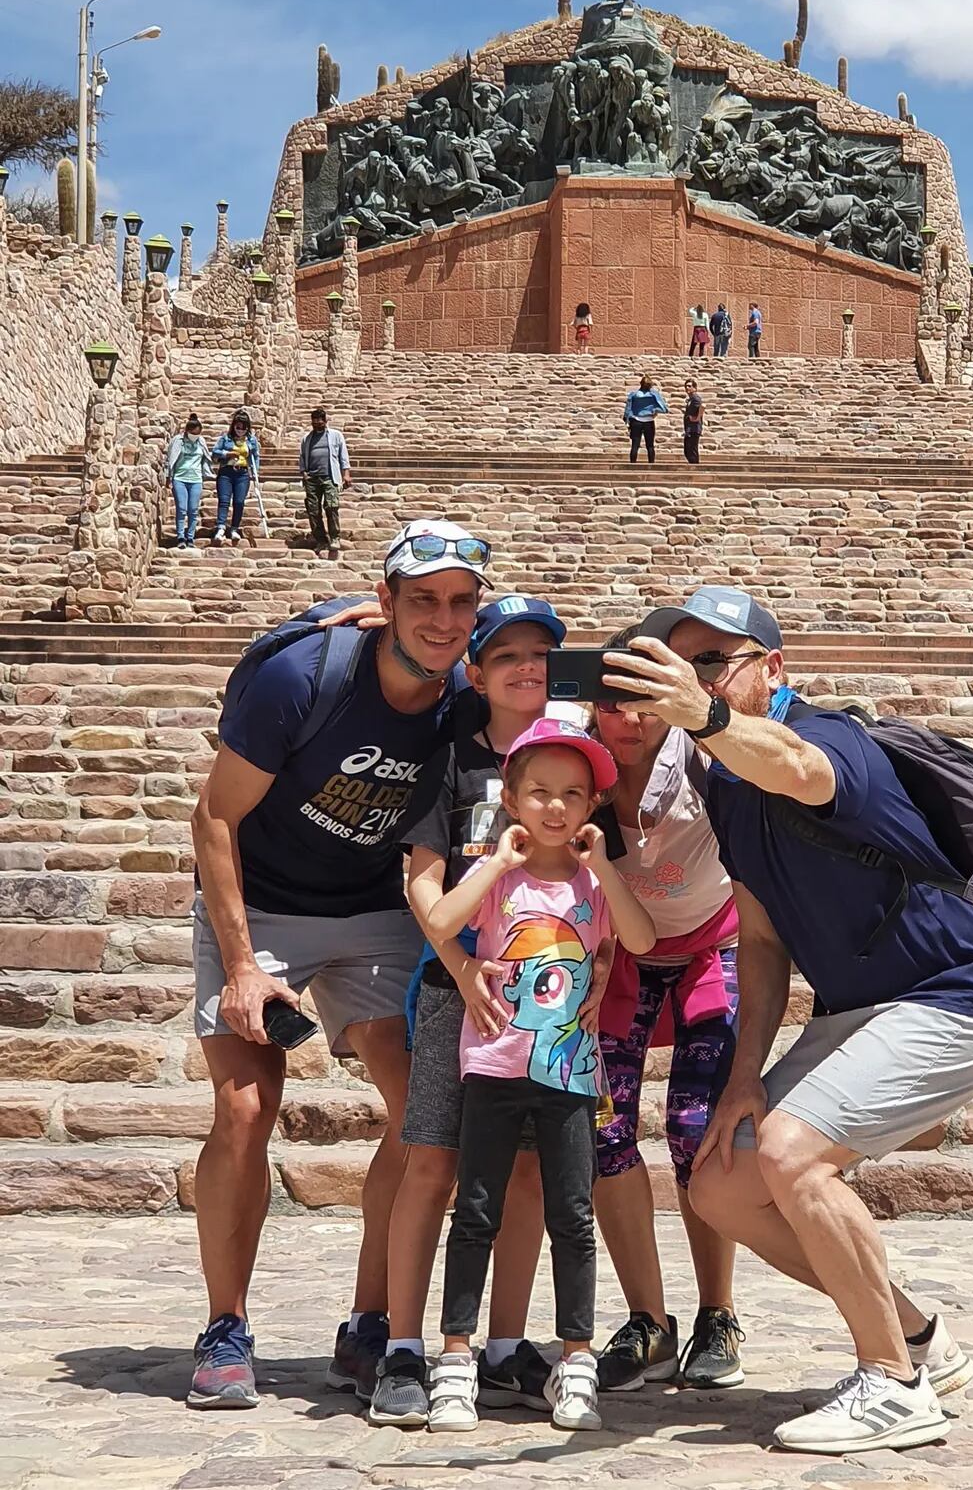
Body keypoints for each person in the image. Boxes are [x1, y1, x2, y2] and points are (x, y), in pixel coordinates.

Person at [603, 587, 973, 1456]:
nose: (694, 676)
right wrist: (744, 1075)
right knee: (720, 1181)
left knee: (792, 1154)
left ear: (773, 669)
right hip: (859, 1012)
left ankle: (891, 1385)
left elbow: (794, 766)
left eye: (715, 660)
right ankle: (915, 1338)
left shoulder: (830, 738)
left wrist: (705, 712)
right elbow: (757, 939)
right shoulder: (724, 790)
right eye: (683, 661)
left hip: (956, 992)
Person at [185, 519, 492, 1413]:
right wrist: (242, 964)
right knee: (246, 1107)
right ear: (386, 600)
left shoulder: (463, 691)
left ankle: (369, 1323)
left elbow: (550, 688)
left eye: (459, 601)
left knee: (419, 1109)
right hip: (262, 896)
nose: (442, 618)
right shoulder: (301, 678)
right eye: (422, 598)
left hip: (372, 906)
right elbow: (214, 817)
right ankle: (225, 1325)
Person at [368, 595, 568, 1429]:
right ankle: (405, 1347)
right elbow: (422, 877)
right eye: (507, 653)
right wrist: (459, 964)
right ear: (475, 672)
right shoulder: (449, 758)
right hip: (461, 994)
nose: (527, 665)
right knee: (432, 1162)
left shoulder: (572, 758)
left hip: (547, 1002)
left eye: (539, 653)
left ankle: (504, 1344)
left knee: (526, 1170)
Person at [425, 719, 657, 1434]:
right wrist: (495, 862)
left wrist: (606, 874)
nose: (554, 807)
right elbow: (441, 920)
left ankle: (577, 1358)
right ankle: (457, 1357)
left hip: (570, 1073)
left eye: (571, 794)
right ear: (513, 798)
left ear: (589, 806)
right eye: (539, 793)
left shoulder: (592, 880)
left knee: (572, 1218)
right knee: (475, 1213)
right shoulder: (497, 878)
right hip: (494, 1061)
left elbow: (637, 938)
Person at [591, 628, 744, 1395]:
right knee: (603, 1131)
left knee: (697, 1129)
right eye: (612, 701)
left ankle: (717, 1311)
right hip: (616, 956)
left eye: (646, 699)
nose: (630, 718)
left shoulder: (702, 754)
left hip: (709, 946)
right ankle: (648, 1319)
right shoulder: (570, 762)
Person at [299, 407, 352, 562]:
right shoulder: (307, 439)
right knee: (313, 510)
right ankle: (321, 539)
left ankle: (335, 537)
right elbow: (302, 457)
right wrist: (304, 473)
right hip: (312, 478)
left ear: (325, 420)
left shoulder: (335, 436)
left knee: (331, 506)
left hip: (330, 477)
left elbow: (343, 455)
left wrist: (346, 474)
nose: (317, 424)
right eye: (314, 421)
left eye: (320, 421)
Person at [211, 407, 260, 545]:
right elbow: (214, 452)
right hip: (226, 472)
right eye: (238, 427)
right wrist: (227, 454)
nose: (240, 430)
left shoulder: (251, 440)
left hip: (242, 473)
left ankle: (234, 528)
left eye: (244, 428)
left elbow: (255, 456)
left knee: (239, 501)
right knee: (224, 500)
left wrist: (255, 472)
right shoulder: (225, 439)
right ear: (234, 426)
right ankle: (221, 527)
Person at [164, 413, 213, 550]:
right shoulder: (178, 441)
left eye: (197, 434)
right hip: (180, 478)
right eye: (193, 434)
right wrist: (169, 477)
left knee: (193, 509)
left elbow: (205, 458)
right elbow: (170, 459)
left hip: (196, 479)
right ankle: (180, 536)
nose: (195, 436)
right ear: (187, 431)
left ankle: (190, 536)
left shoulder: (201, 441)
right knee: (181, 508)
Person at [623, 375, 668, 464]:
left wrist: (627, 420)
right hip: (649, 421)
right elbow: (664, 408)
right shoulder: (653, 394)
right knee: (650, 446)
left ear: (641, 384)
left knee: (635, 445)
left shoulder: (634, 395)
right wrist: (654, 410)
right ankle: (651, 464)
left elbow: (628, 409)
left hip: (636, 420)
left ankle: (632, 465)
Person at [682, 378, 705, 465]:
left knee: (692, 450)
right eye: (686, 386)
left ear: (694, 388)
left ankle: (695, 468)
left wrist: (697, 418)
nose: (687, 388)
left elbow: (703, 406)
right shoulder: (691, 399)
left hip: (694, 428)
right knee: (688, 450)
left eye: (689, 386)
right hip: (689, 428)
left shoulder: (696, 398)